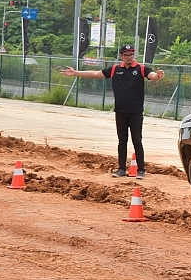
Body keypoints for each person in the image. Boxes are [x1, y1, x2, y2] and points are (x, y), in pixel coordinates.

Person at [61, 44, 165, 179]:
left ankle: (141, 170)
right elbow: (96, 73)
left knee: (137, 141)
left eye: (131, 54)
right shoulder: (115, 69)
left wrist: (158, 76)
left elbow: (152, 76)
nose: (129, 57)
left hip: (136, 112)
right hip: (120, 111)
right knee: (122, 141)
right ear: (121, 56)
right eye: (126, 55)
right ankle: (121, 169)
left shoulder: (141, 69)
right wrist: (76, 73)